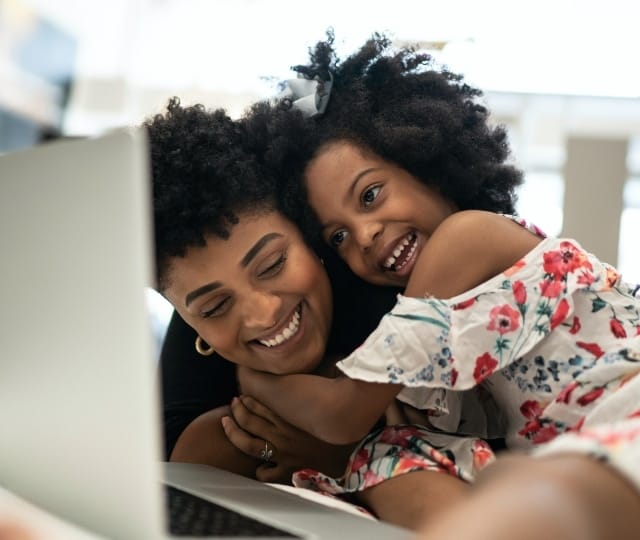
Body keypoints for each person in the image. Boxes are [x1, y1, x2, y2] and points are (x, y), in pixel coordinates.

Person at [233, 31, 640, 539]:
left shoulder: (466, 238)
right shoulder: (448, 314)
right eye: (337, 236)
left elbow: (340, 416)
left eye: (370, 195)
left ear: (425, 162)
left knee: (520, 482)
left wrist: (253, 378)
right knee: (391, 455)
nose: (364, 234)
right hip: (576, 453)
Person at [144, 97, 496, 530]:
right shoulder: (200, 333)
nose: (262, 313)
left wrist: (331, 444)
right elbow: (183, 458)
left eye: (272, 265)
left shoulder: (387, 276)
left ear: (311, 235)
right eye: (214, 307)